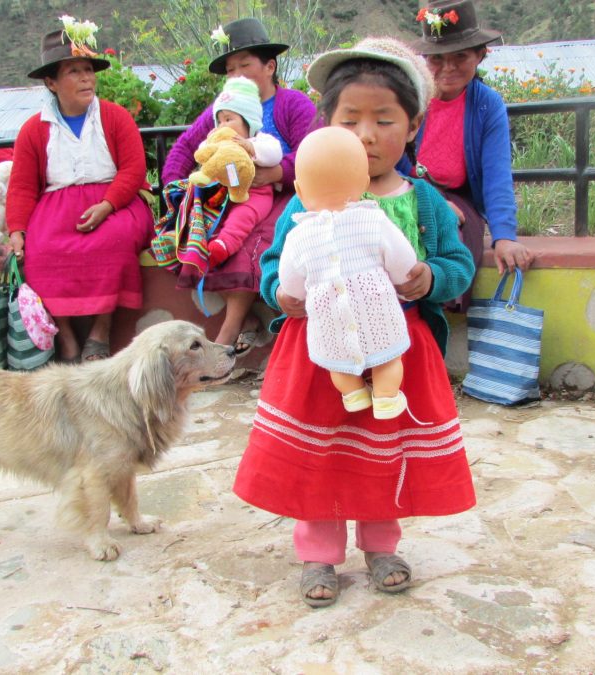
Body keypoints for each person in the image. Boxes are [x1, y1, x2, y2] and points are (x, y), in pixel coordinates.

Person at [233, 37, 477, 608]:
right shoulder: (306, 201)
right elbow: (275, 264)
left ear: (413, 125)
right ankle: (318, 555)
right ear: (326, 127)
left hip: (398, 351)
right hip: (320, 353)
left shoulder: (425, 204)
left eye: (384, 120)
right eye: (351, 120)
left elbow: (459, 263)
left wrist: (430, 278)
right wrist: (280, 294)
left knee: (384, 448)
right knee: (322, 454)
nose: (367, 135)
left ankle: (381, 544)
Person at [162, 17, 318, 355]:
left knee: (254, 234)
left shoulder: (294, 104)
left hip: (282, 194)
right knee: (202, 230)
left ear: (270, 66)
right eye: (230, 69)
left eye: (245, 65)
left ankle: (227, 335)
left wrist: (275, 172)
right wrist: (175, 191)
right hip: (230, 195)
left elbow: (311, 153)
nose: (236, 75)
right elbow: (185, 148)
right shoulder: (223, 111)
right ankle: (245, 322)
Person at [5, 17, 154, 362]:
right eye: (73, 71)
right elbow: (23, 186)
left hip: (117, 201)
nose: (86, 78)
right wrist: (17, 230)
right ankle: (67, 334)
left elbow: (133, 169)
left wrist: (107, 205)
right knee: (42, 250)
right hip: (57, 207)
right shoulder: (34, 129)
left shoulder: (115, 117)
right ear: (51, 82)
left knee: (113, 240)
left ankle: (100, 333)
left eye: (88, 69)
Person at [278, 127, 418, 418]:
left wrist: (293, 296)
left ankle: (353, 394)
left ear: (299, 191)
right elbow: (404, 259)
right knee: (388, 357)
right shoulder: (374, 220)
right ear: (364, 183)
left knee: (337, 363)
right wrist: (405, 279)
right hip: (377, 310)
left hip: (330, 319)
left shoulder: (298, 237)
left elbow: (290, 282)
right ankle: (386, 398)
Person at [407, 0, 533, 308]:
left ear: (480, 55)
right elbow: (391, 158)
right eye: (437, 58)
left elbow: (496, 175)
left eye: (460, 56)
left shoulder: (488, 105)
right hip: (403, 189)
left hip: (458, 199)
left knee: (451, 240)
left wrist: (504, 235)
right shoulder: (409, 98)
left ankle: (435, 325)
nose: (447, 68)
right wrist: (430, 201)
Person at [176, 76, 282, 284]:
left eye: (229, 119)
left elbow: (274, 154)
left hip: (255, 194)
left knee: (242, 218)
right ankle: (198, 242)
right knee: (208, 213)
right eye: (220, 120)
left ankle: (224, 246)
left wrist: (252, 148)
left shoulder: (260, 139)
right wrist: (211, 143)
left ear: (249, 121)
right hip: (223, 194)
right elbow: (201, 154)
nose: (222, 125)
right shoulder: (217, 141)